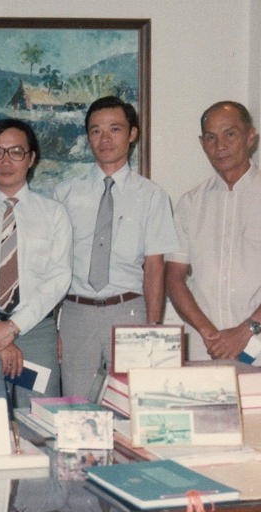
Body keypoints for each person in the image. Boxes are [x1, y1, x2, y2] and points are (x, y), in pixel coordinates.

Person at [166, 101, 261, 399]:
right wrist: (210, 334)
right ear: (201, 144)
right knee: (210, 439)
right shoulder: (190, 204)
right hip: (205, 351)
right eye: (210, 137)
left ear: (251, 137)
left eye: (230, 134)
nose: (220, 145)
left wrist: (245, 331)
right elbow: (174, 278)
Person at [52, 96, 178, 399]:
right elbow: (53, 265)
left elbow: (155, 267)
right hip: (76, 313)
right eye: (95, 131)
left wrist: (152, 327)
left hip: (129, 311)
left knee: (133, 404)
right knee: (78, 410)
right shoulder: (64, 193)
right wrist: (54, 326)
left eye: (115, 129)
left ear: (132, 134)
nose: (104, 139)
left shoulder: (151, 196)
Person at [0, 119, 72, 407]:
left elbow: (59, 278)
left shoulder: (54, 214)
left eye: (16, 152)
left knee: (41, 423)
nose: (6, 161)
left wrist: (14, 327)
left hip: (35, 333)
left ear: (31, 158)